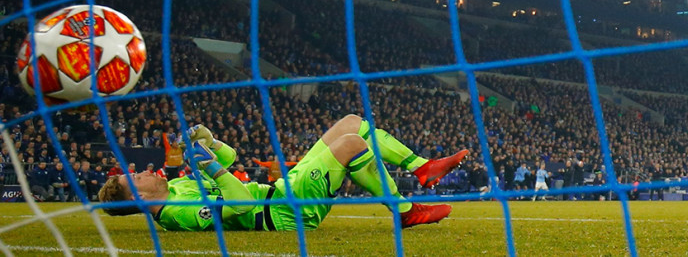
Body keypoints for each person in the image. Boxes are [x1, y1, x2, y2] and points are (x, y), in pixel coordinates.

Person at [97, 114, 468, 231]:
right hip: (285, 213)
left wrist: (208, 141)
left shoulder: (177, 184)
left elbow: (229, 157)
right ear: (140, 196)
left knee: (351, 122)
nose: (145, 172)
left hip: (282, 190)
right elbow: (242, 206)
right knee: (352, 143)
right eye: (137, 177)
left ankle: (422, 167)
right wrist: (211, 167)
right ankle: (405, 211)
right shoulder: (178, 214)